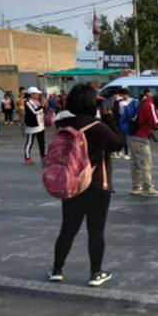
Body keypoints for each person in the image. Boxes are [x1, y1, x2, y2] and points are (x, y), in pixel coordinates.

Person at [49, 84, 124, 287]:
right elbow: (118, 143)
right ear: (91, 103)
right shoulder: (96, 127)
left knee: (68, 228)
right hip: (97, 184)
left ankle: (57, 269)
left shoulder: (63, 124)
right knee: (96, 230)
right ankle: (95, 273)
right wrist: (109, 117)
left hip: (71, 183)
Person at [128, 92, 158, 197]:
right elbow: (155, 123)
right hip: (141, 137)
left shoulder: (146, 103)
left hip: (133, 135)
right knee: (146, 164)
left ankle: (136, 187)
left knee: (135, 163)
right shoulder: (149, 105)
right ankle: (148, 188)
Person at [24, 87, 46, 166]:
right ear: (32, 94)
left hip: (40, 124)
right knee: (29, 142)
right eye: (36, 93)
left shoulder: (37, 101)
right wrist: (42, 105)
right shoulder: (27, 102)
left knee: (42, 142)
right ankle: (27, 158)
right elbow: (34, 111)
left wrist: (43, 106)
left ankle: (43, 156)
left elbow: (42, 111)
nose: (38, 95)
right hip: (32, 125)